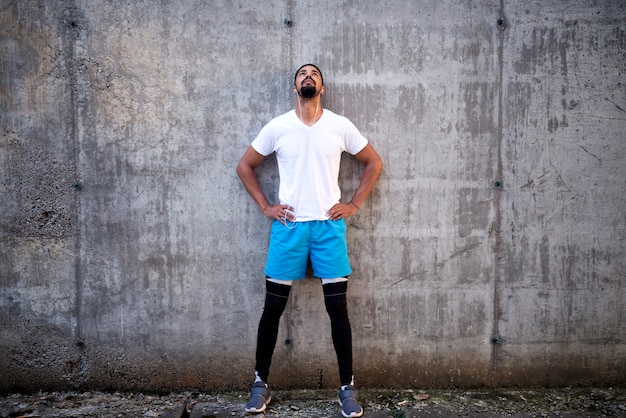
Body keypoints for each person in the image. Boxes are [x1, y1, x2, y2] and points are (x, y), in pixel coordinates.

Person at [236, 64, 383, 418]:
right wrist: (266, 207)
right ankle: (260, 384)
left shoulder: (339, 125)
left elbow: (373, 162)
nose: (307, 78)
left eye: (313, 74)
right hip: (289, 226)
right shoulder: (278, 126)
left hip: (328, 227)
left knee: (338, 310)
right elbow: (245, 166)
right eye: (302, 74)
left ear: (323, 87)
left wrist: (353, 204)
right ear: (294, 88)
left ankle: (347, 387)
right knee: (273, 309)